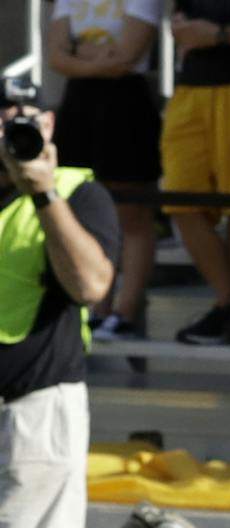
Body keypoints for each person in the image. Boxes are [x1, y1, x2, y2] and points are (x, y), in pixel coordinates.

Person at [1, 88, 230, 528]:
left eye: (23, 121)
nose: (12, 135)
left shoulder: (78, 193)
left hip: (32, 403)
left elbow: (91, 287)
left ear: (49, 125)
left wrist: (43, 194)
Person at [45, 0, 160, 342]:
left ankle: (126, 312)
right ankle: (98, 308)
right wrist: (99, 58)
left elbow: (126, 59)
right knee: (81, 209)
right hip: (79, 105)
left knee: (132, 214)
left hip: (126, 105)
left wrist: (78, 51)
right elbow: (55, 57)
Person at [164, 0, 230, 346]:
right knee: (180, 201)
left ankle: (226, 308)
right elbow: (180, 22)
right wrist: (182, 30)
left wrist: (218, 35)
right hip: (188, 90)